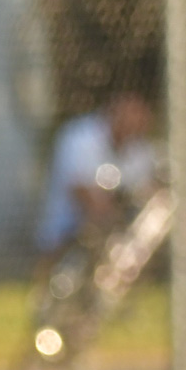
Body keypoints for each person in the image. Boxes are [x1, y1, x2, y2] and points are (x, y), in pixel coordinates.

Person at [34, 91, 159, 257]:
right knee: (97, 221)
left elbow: (150, 193)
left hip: (123, 229)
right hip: (71, 229)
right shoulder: (79, 137)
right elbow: (85, 197)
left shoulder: (141, 148)